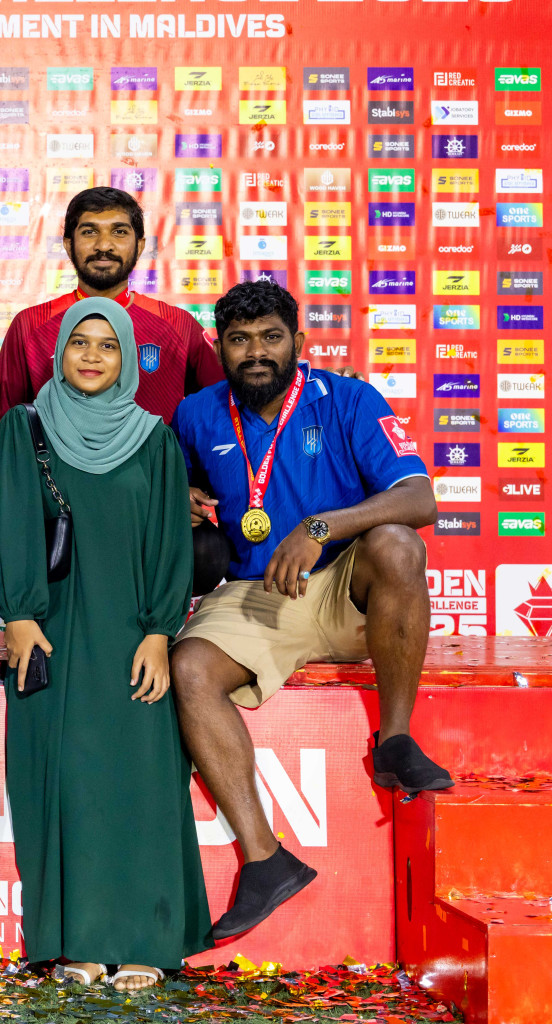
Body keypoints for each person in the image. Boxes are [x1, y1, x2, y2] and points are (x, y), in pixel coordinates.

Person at [170, 280, 451, 941]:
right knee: (189, 669)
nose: (256, 352)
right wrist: (181, 498)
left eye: (272, 337)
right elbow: (178, 503)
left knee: (398, 543)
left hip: (348, 584)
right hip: (259, 591)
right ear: (221, 348)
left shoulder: (349, 398)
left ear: (300, 341)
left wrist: (325, 526)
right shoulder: (195, 415)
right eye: (239, 340)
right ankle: (266, 862)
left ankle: (397, 739)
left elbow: (420, 499)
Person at [0, 297, 211, 993]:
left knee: (140, 785)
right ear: (57, 353)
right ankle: (78, 938)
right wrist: (19, 614)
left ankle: (145, 936)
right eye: (78, 343)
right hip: (50, 633)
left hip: (129, 637)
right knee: (68, 787)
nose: (91, 355)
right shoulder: (26, 430)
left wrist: (157, 630)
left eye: (106, 345)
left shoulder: (154, 439)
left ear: (126, 358)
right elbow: (15, 524)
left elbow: (170, 542)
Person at [0, 187, 223, 443]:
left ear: (140, 246)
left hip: (154, 479)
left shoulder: (178, 324)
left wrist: (189, 477)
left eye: (119, 232)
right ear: (68, 245)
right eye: (89, 232)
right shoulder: (30, 325)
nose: (104, 245)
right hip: (56, 481)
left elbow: (222, 409)